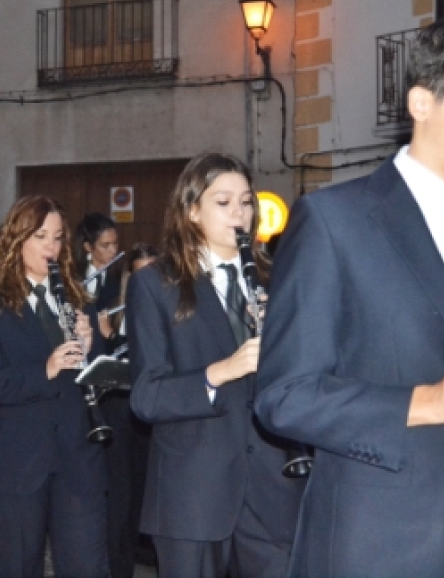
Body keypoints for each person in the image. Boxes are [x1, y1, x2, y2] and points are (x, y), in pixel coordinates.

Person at [254, 14, 444, 578]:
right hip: (389, 548)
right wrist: (429, 402)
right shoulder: (333, 220)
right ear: (422, 102)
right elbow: (284, 395)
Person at [126, 152, 305, 578]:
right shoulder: (155, 284)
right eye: (223, 203)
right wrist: (220, 371)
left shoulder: (275, 278)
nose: (239, 214)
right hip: (193, 494)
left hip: (273, 487)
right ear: (191, 211)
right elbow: (146, 398)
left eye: (246, 202)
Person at [0, 195, 109, 578]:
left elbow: (99, 376)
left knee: (87, 566)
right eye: (41, 236)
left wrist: (91, 346)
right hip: (16, 461)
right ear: (16, 239)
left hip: (77, 457)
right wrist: (44, 369)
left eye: (58, 238)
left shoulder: (79, 299)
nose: (51, 247)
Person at [99, 242, 158, 578]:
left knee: (145, 491)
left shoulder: (170, 309)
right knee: (119, 495)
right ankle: (118, 567)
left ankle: (144, 553)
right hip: (119, 410)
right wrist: (106, 339)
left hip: (151, 412)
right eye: (139, 275)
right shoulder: (114, 310)